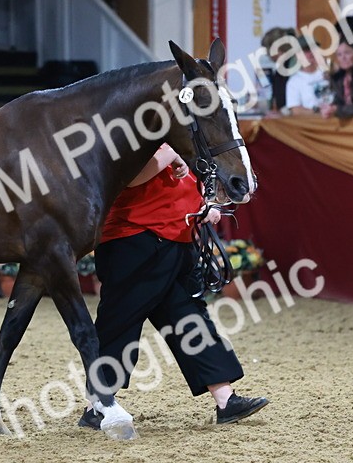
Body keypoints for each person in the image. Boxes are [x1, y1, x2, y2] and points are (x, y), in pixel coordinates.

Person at [80, 143, 269, 430]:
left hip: (172, 239)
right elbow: (130, 177)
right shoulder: (130, 132)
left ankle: (225, 399)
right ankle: (99, 405)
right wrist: (171, 152)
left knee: (189, 319)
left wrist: (200, 207)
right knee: (119, 323)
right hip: (134, 239)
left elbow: (171, 185)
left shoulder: (167, 136)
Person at [282, 43, 327, 115]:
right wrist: (318, 111)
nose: (310, 53)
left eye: (313, 49)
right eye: (306, 51)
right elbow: (296, 110)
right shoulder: (294, 81)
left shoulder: (328, 73)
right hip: (311, 122)